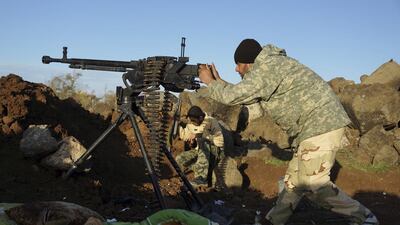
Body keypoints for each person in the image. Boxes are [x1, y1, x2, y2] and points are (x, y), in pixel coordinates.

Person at [198, 39, 378, 225]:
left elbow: (234, 96)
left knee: (314, 185)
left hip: (321, 126)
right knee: (293, 184)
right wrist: (218, 81)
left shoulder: (267, 67)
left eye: (238, 65)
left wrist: (210, 82)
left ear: (247, 63)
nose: (236, 70)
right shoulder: (268, 67)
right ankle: (274, 221)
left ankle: (366, 218)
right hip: (313, 129)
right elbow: (248, 99)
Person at [176, 105, 224, 187]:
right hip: (198, 151)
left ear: (201, 117)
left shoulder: (212, 121)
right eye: (191, 120)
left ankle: (201, 179)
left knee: (203, 142)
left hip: (214, 152)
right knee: (179, 159)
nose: (192, 122)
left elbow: (220, 141)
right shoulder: (191, 123)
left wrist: (199, 135)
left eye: (194, 120)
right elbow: (184, 136)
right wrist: (178, 125)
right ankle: (186, 175)